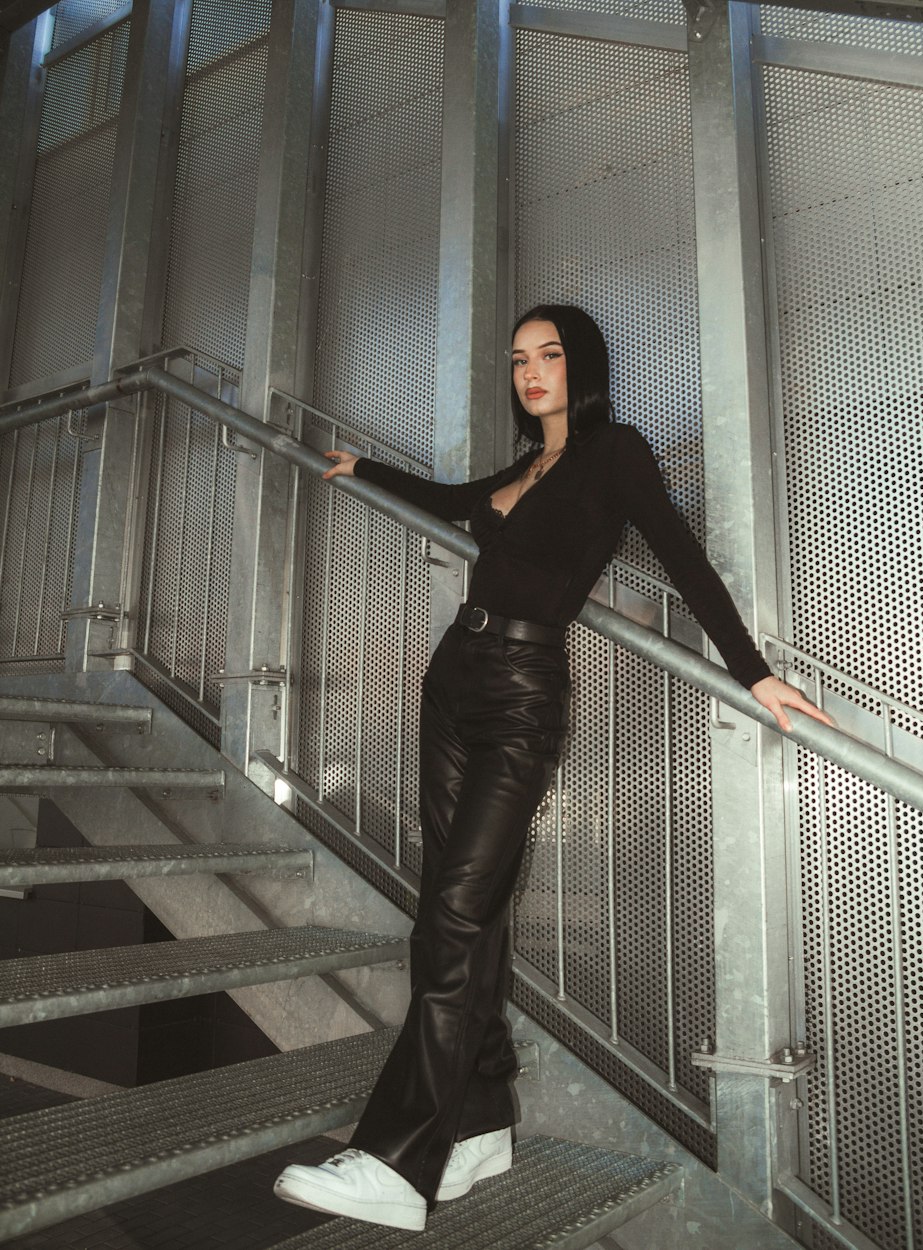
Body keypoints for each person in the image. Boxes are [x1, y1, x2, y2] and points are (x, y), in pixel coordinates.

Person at [273, 304, 832, 1231]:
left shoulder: (616, 454)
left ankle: (397, 1160)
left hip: (524, 694)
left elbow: (686, 563)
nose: (532, 372)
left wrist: (756, 675)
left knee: (454, 912)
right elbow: (455, 500)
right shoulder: (526, 464)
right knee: (457, 907)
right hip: (452, 679)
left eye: (551, 356)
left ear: (585, 365)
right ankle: (483, 1122)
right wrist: (362, 468)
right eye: (520, 359)